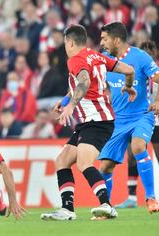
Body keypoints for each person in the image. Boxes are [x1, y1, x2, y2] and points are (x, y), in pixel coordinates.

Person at [40, 24, 136, 221]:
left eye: (65, 43)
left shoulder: (75, 60)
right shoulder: (96, 56)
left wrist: (70, 107)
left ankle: (107, 205)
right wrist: (129, 87)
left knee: (84, 163)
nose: (65, 46)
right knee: (62, 161)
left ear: (71, 42)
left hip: (97, 121)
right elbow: (128, 69)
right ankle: (67, 210)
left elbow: (83, 82)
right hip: (91, 122)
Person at [98, 23, 159, 214]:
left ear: (116, 40)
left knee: (138, 146)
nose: (102, 42)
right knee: (105, 166)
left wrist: (158, 101)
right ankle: (106, 207)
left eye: (105, 38)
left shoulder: (140, 57)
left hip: (142, 115)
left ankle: (151, 199)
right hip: (118, 121)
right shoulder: (105, 60)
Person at [116, 41, 159, 209]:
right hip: (141, 116)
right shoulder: (136, 70)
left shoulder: (154, 72)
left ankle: (150, 196)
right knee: (133, 154)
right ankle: (132, 198)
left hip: (156, 118)